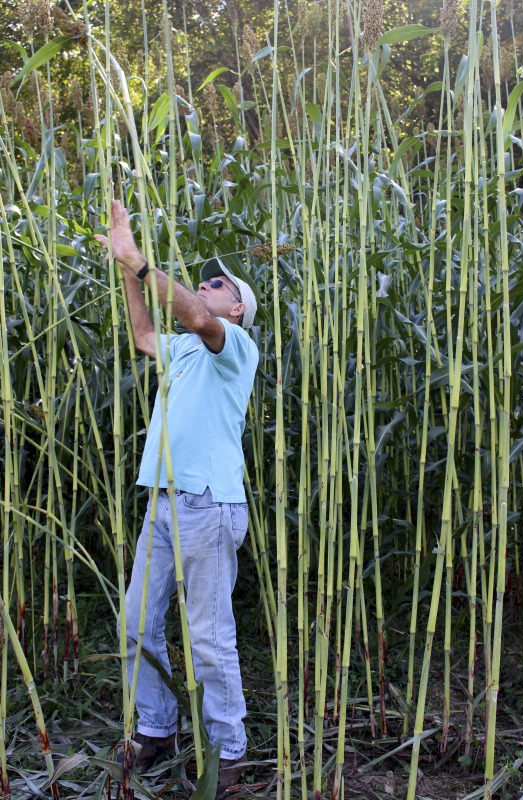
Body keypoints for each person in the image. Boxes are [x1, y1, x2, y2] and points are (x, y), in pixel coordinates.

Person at [95, 200, 258, 795]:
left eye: (217, 284)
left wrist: (139, 261)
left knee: (208, 635)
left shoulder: (231, 344)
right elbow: (143, 334)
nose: (205, 284)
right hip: (164, 501)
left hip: (209, 505)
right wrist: (124, 267)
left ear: (235, 307)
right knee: (137, 620)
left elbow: (193, 314)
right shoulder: (185, 351)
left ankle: (228, 750)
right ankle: (158, 728)